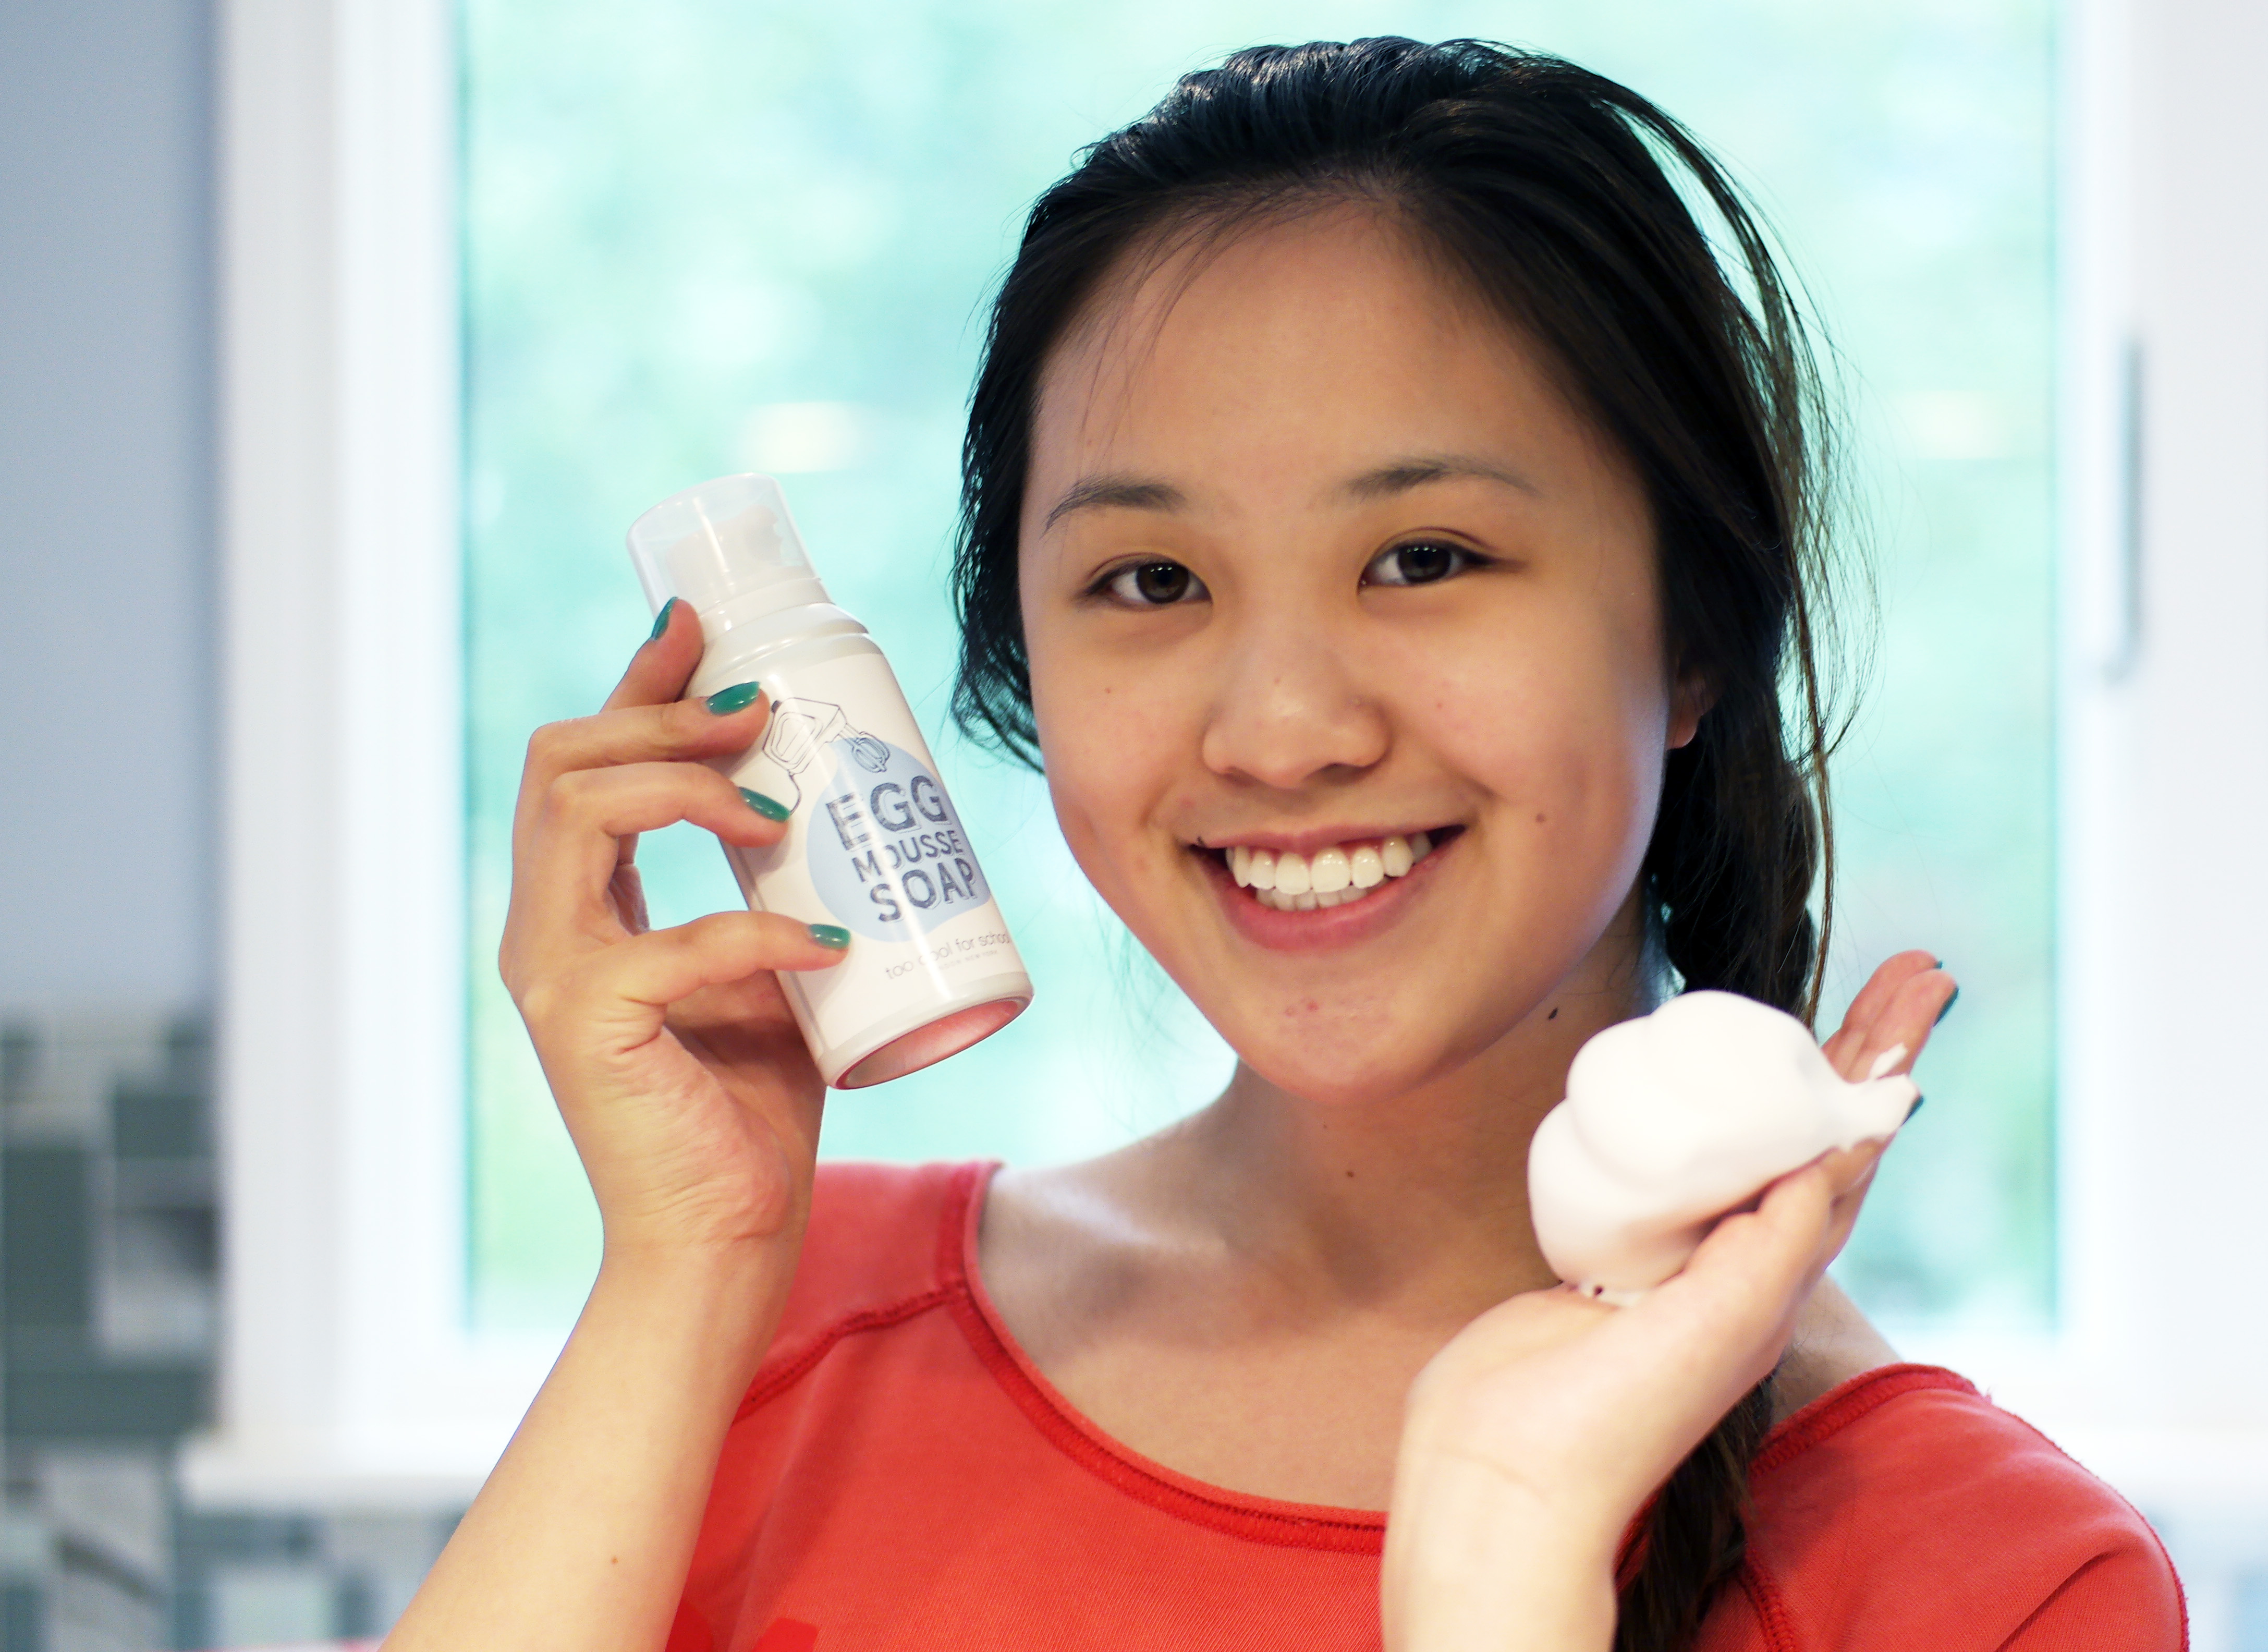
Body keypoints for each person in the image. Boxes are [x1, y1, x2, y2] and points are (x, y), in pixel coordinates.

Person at [387, 38, 2184, 1652]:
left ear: (1695, 637)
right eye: (1151, 581)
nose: (1280, 729)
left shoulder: (1994, 1590)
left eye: (1424, 559)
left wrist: (1508, 1547)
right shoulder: (759, 1323)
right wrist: (684, 1278)